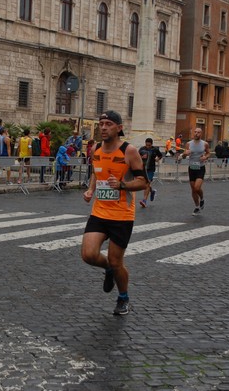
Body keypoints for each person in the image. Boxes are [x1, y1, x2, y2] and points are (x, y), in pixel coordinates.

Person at [81, 110, 147, 316]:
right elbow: (96, 172)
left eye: (108, 123)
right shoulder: (96, 149)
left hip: (122, 215)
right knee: (88, 255)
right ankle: (108, 269)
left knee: (118, 261)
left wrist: (121, 185)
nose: (103, 127)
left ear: (119, 128)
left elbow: (143, 182)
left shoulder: (129, 151)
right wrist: (91, 189)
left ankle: (123, 298)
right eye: (101, 123)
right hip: (100, 212)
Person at [178, 127, 210, 215]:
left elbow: (208, 153)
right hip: (191, 168)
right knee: (193, 189)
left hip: (200, 168)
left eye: (198, 132)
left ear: (201, 134)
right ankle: (197, 207)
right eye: (195, 132)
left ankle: (202, 198)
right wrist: (184, 154)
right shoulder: (188, 144)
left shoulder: (205, 144)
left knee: (197, 187)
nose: (196, 134)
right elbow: (184, 156)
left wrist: (205, 157)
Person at [138, 137, 163, 208]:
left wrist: (157, 159)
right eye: (146, 145)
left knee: (147, 183)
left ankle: (144, 201)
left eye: (149, 145)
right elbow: (137, 156)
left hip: (151, 169)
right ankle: (152, 191)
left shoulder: (155, 149)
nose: (148, 147)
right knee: (145, 183)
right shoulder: (142, 149)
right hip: (143, 169)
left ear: (151, 144)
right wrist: (142, 157)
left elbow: (160, 155)